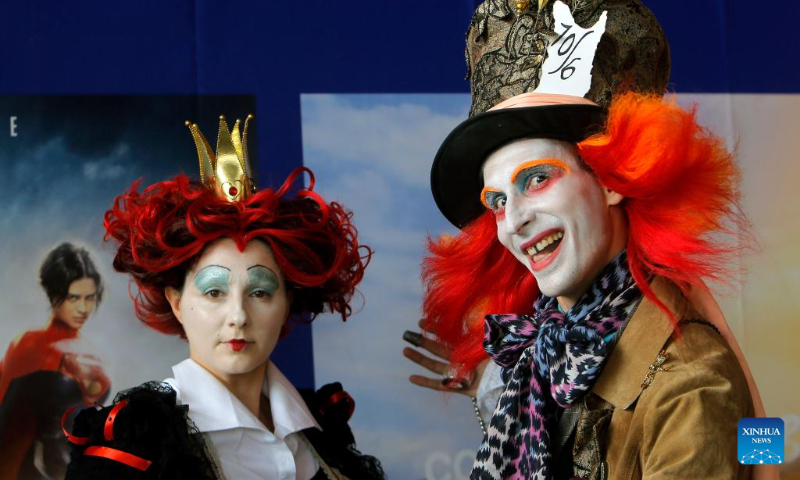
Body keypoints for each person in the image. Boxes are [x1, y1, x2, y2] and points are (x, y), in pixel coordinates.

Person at [404, 0, 769, 478]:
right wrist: (496, 386)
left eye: (536, 179)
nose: (512, 221)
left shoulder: (693, 382)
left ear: (612, 177)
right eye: (496, 201)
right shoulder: (543, 359)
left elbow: (758, 447)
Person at [63, 116, 384, 480]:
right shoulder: (132, 442)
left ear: (287, 303)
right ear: (176, 301)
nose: (238, 316)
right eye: (214, 292)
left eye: (260, 292)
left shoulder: (323, 431)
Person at [0, 242, 108, 480]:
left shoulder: (91, 353)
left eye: (89, 298)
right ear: (54, 296)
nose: (83, 308)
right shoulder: (30, 345)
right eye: (73, 298)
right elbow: (8, 425)